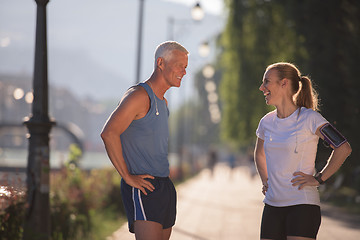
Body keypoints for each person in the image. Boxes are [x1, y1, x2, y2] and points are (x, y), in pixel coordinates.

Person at [101, 41, 189, 240]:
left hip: (164, 186)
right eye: (179, 66)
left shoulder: (163, 102)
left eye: (185, 67)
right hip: (144, 187)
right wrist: (127, 176)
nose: (183, 72)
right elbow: (109, 133)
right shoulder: (139, 96)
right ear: (161, 63)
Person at [254, 62, 352, 240]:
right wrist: (265, 180)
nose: (262, 87)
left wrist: (319, 178)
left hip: (303, 206)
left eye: (267, 81)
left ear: (284, 83)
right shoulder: (266, 122)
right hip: (272, 206)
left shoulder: (310, 118)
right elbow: (259, 153)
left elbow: (343, 147)